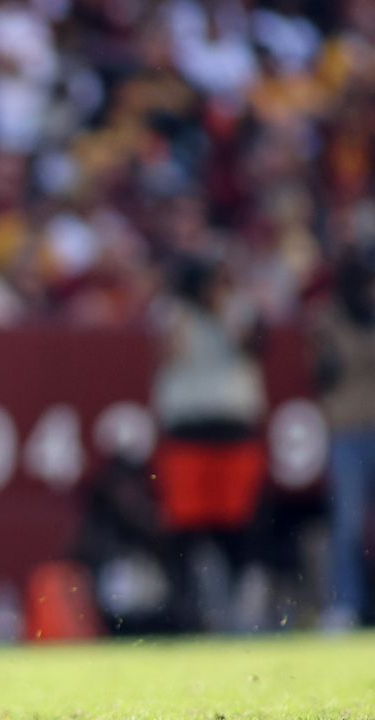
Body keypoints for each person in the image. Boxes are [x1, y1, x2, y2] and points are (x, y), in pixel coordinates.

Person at [151, 253, 269, 632]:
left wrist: (222, 311)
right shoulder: (174, 313)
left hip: (232, 430)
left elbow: (253, 345)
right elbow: (169, 351)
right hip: (187, 432)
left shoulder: (238, 310)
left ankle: (245, 609)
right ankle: (188, 612)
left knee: (238, 523)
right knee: (185, 526)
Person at [313, 244, 375, 631]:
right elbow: (325, 375)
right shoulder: (330, 321)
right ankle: (346, 604)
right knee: (348, 524)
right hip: (349, 430)